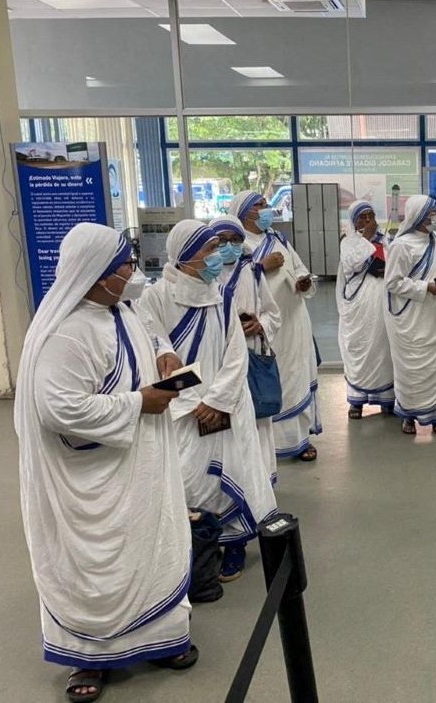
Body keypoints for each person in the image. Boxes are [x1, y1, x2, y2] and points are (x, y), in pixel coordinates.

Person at [15, 223, 198, 703]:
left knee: (153, 546)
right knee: (95, 567)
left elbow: (151, 333)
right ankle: (87, 657)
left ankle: (160, 639)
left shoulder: (121, 307)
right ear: (97, 276)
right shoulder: (68, 333)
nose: (134, 275)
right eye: (126, 268)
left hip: (144, 465)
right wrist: (138, 403)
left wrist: (164, 354)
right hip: (94, 480)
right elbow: (58, 409)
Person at [137, 219, 277, 582]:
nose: (217, 256)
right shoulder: (156, 297)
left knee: (237, 470)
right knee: (189, 479)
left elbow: (235, 353)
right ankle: (201, 544)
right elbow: (154, 343)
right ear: (185, 256)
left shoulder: (221, 293)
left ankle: (235, 544)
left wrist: (217, 400)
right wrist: (191, 399)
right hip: (183, 407)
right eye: (209, 249)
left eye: (218, 247)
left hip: (227, 402)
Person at [230, 190, 322, 462]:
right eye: (260, 205)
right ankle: (269, 447)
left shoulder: (278, 238)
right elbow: (231, 281)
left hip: (294, 321)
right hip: (265, 327)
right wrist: (261, 266)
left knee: (297, 378)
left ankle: (300, 439)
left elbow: (299, 267)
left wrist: (304, 281)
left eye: (266, 204)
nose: (267, 208)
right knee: (272, 382)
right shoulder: (237, 244)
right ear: (245, 212)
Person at [211, 215, 283, 486]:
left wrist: (259, 324)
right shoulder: (205, 276)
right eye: (222, 241)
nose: (229, 246)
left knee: (257, 420)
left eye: (235, 240)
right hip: (218, 361)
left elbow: (273, 314)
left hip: (251, 357)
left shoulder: (251, 272)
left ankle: (262, 484)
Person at [385, 194, 436, 436]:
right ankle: (409, 415)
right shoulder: (401, 245)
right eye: (431, 213)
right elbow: (393, 283)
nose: (435, 217)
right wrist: (426, 288)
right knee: (412, 370)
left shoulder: (434, 239)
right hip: (413, 320)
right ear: (418, 215)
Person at [337, 200, 396, 418]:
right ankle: (357, 401)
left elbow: (395, 264)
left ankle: (387, 399)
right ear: (353, 220)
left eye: (370, 216)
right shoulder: (349, 242)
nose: (367, 220)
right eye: (362, 217)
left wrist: (385, 267)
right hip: (358, 306)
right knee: (358, 348)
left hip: (381, 303)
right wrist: (366, 239)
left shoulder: (386, 240)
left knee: (383, 349)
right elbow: (351, 263)